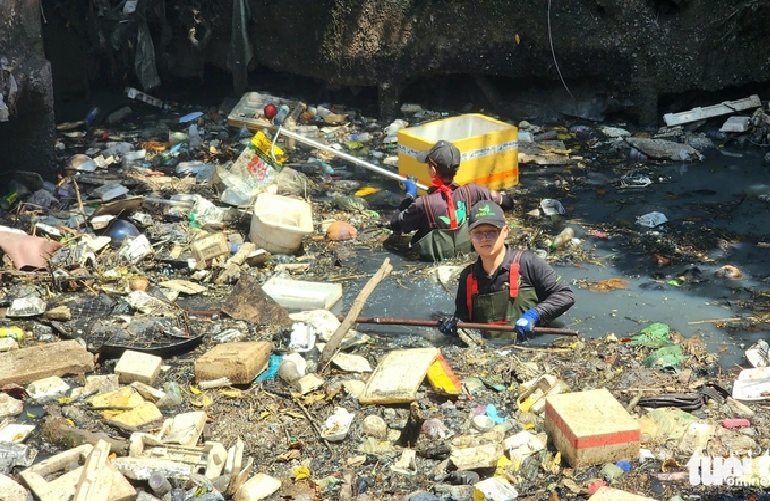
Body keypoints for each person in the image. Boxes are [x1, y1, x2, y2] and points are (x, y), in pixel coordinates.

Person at [438, 200, 574, 341]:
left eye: (491, 232)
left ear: (505, 231)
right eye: (477, 234)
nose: (484, 239)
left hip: (530, 348)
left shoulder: (528, 263)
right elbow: (464, 321)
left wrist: (535, 314)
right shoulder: (468, 277)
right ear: (470, 237)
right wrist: (453, 326)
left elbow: (565, 295)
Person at [389, 140, 515, 261]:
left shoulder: (423, 203)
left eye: (428, 165)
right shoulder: (472, 191)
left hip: (432, 256)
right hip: (464, 249)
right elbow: (508, 202)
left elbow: (395, 223)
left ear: (433, 170)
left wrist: (409, 196)